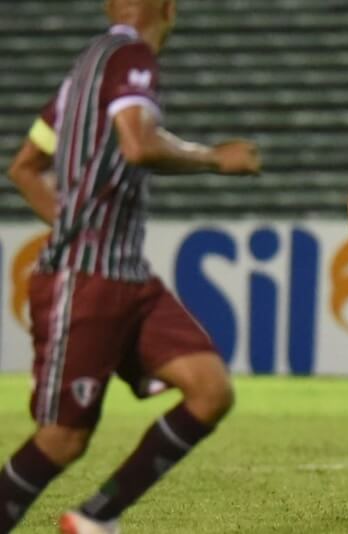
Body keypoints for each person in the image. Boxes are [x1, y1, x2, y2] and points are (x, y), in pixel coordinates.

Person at [0, 0, 260, 532]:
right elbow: (138, 145)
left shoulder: (83, 72)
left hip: (127, 276)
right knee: (64, 438)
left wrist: (72, 216)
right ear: (168, 8)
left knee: (210, 389)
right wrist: (214, 158)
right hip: (86, 280)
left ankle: (96, 518)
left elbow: (26, 167)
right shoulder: (131, 55)